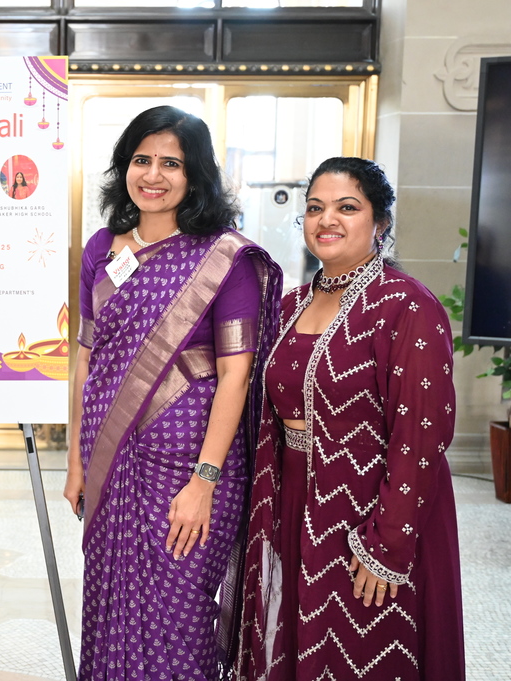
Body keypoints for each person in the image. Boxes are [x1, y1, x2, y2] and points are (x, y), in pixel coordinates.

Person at [64, 105, 282, 680]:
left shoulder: (224, 258)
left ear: (196, 176)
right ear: (123, 168)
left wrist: (204, 483)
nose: (153, 175)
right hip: (110, 460)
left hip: (188, 469)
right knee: (109, 610)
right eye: (141, 160)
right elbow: (85, 359)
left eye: (171, 163)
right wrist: (76, 464)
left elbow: (236, 375)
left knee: (180, 619)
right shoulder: (101, 249)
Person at [234, 157, 464, 681]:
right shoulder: (292, 303)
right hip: (295, 498)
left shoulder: (407, 306)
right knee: (298, 639)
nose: (326, 220)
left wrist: (387, 543)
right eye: (315, 208)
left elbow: (421, 437)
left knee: (364, 647)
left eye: (347, 207)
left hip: (372, 512)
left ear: (380, 223)